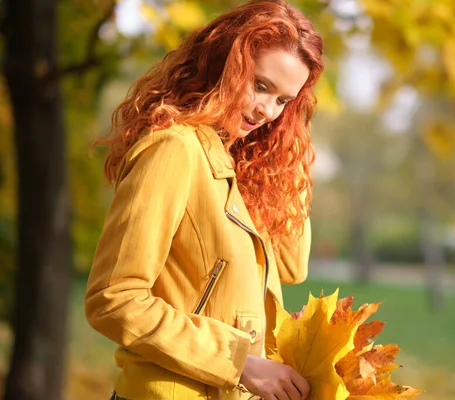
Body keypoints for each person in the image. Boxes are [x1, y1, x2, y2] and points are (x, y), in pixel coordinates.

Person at [84, 1, 324, 399]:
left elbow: (291, 266)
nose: (267, 110)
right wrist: (237, 360)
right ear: (223, 64)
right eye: (260, 86)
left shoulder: (240, 166)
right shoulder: (173, 149)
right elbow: (113, 299)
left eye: (284, 101)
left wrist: (287, 150)